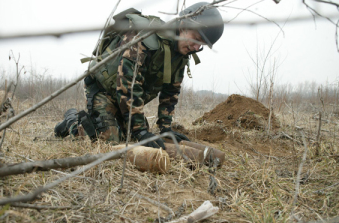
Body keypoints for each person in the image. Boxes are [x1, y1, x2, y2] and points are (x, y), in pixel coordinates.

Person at [54, 2, 224, 149]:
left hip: (126, 100)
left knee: (133, 138)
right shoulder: (145, 37)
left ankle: (112, 121)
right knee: (108, 141)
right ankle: (73, 121)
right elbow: (127, 84)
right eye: (196, 40)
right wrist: (139, 130)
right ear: (183, 26)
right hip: (104, 91)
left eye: (201, 46)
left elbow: (170, 93)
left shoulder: (180, 57)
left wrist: (165, 129)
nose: (196, 48)